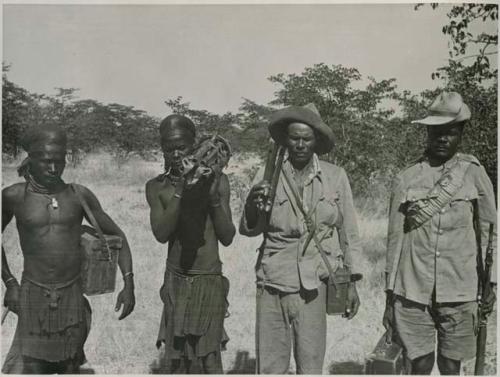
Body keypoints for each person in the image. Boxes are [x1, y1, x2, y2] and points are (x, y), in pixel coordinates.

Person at [2, 124, 135, 374]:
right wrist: (9, 282)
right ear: (31, 158)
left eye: (60, 161)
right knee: (32, 367)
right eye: (46, 161)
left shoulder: (78, 196)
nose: (54, 169)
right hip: (33, 296)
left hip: (72, 296)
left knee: (70, 364)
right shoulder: (14, 196)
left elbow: (118, 235)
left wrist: (129, 284)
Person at [240, 103, 362, 374]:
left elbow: (349, 233)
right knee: (270, 367)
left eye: (306, 139)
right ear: (285, 139)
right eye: (294, 138)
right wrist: (251, 205)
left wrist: (353, 282)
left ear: (316, 141)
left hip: (314, 286)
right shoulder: (268, 172)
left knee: (310, 366)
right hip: (273, 282)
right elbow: (250, 228)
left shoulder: (335, 177)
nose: (299, 144)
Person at [383, 92, 497, 375]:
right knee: (418, 362)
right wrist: (389, 293)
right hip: (412, 287)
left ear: (460, 134)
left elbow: (490, 231)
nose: (444, 138)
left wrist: (491, 284)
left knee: (450, 364)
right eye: (437, 132)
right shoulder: (407, 177)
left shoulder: (473, 173)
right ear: (428, 132)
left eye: (451, 132)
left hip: (459, 285)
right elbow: (395, 239)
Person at [145, 114, 235, 374]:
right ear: (162, 149)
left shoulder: (218, 181)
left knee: (210, 358)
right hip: (176, 279)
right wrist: (182, 188)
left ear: (193, 145)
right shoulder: (157, 187)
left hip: (208, 278)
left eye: (182, 147)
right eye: (169, 148)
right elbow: (161, 233)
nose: (175, 153)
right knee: (176, 359)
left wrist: (213, 195)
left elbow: (228, 237)